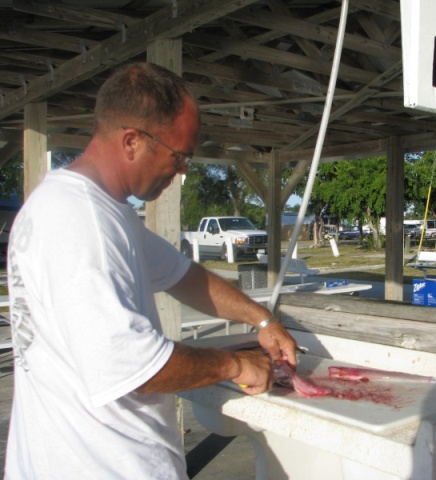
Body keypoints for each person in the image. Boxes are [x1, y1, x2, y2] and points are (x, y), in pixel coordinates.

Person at [4, 62, 298, 479]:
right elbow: (128, 366)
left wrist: (261, 318)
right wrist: (235, 365)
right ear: (131, 142)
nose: (182, 173)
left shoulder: (103, 212)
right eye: (180, 157)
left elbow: (184, 275)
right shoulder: (78, 219)